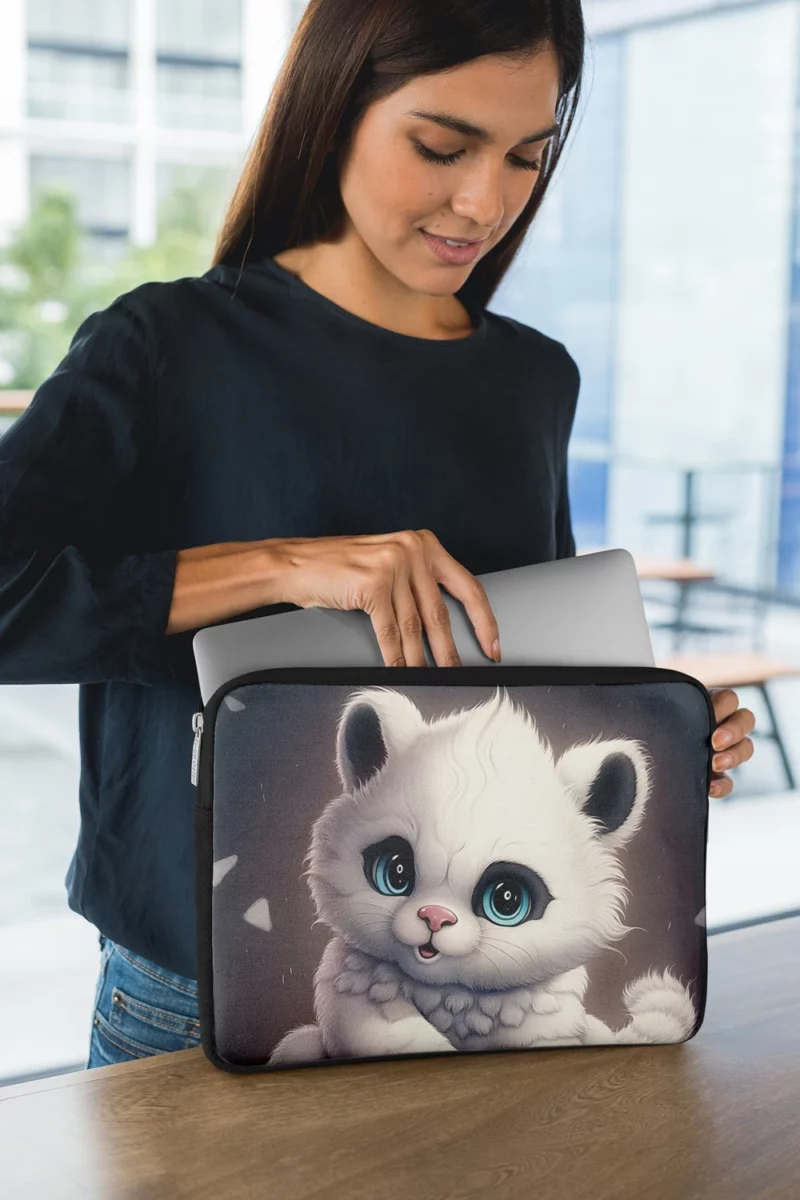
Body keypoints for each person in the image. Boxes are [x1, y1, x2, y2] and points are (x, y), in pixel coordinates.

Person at [0, 0, 755, 1069]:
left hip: (490, 1005)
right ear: (333, 108)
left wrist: (672, 731)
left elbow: (519, 670)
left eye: (524, 158)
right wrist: (290, 567)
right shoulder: (163, 345)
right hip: (194, 995)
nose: (482, 201)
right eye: (440, 146)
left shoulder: (535, 379)